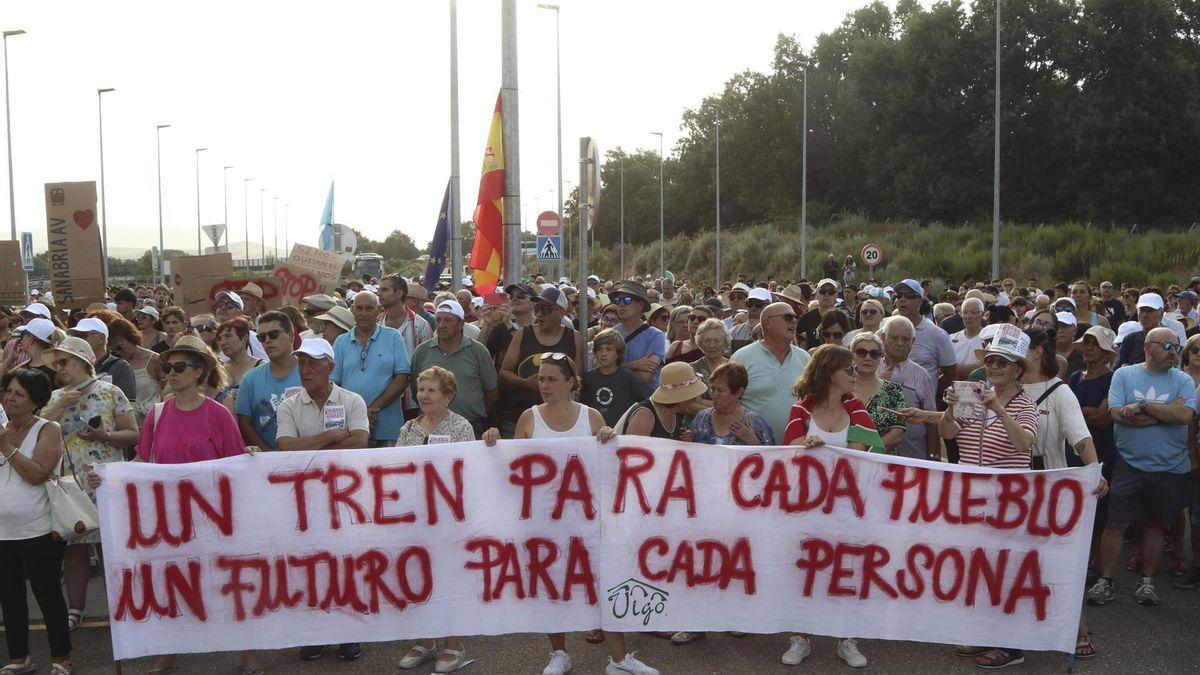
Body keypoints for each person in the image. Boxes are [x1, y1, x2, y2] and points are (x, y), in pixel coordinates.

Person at [90, 335, 262, 675]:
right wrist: (110, 478)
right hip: (169, 519)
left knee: (227, 585)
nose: (171, 372)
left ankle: (248, 652)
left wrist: (250, 459)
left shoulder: (218, 415)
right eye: (168, 367)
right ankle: (170, 651)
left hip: (213, 518)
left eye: (180, 367)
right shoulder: (156, 414)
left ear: (200, 373)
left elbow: (233, 466)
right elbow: (141, 459)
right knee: (172, 586)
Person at [503, 353, 656, 675]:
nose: (544, 385)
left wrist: (609, 439)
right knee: (550, 585)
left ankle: (618, 659)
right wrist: (492, 443)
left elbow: (609, 467)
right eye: (541, 379)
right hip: (543, 519)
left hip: (587, 518)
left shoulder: (592, 417)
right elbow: (514, 471)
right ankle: (558, 653)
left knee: (601, 583)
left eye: (551, 379)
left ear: (571, 383)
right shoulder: (528, 418)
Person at [780, 344, 882, 669]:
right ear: (829, 374)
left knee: (848, 569)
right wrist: (806, 446)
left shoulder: (858, 409)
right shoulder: (801, 409)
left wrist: (822, 451)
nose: (856, 374)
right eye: (849, 369)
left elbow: (858, 453)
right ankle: (801, 637)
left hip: (848, 508)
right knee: (803, 571)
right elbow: (790, 448)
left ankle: (846, 638)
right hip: (805, 507)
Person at [275, 338, 369, 663]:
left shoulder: (352, 400)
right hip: (303, 499)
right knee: (308, 565)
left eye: (313, 363)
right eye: (302, 363)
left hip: (346, 496)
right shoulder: (289, 405)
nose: (306, 370)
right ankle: (315, 632)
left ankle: (348, 631)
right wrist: (330, 437)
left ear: (330, 365)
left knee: (345, 563)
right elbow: (286, 448)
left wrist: (308, 449)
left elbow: (359, 443)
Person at [1088, 327, 1195, 608]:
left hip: (1169, 467)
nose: (1175, 353)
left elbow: (1184, 415)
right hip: (1129, 463)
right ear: (1149, 347)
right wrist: (1164, 412)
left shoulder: (1183, 380)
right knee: (1116, 524)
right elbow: (1116, 415)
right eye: (1169, 347)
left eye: (1177, 348)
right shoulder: (1124, 374)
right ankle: (1106, 580)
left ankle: (1147, 581)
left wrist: (1144, 406)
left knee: (1155, 525)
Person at [40, 337, 138, 631]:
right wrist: (58, 406)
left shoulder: (110, 392)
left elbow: (133, 434)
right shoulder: (54, 396)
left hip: (106, 481)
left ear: (84, 362)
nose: (60, 368)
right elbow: (38, 430)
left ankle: (121, 605)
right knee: (75, 548)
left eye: (65, 361)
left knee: (111, 547)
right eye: (57, 363)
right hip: (71, 486)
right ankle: (75, 609)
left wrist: (104, 436)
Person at [394, 367, 482, 673]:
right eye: (421, 390)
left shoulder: (461, 427)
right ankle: (424, 641)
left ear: (449, 396)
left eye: (432, 390)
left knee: (449, 580)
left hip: (448, 518)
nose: (425, 396)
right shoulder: (408, 429)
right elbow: (395, 469)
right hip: (414, 517)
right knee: (417, 578)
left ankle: (453, 645)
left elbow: (468, 473)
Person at [0, 368, 76, 675]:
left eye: (18, 393)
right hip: (3, 531)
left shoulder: (48, 429)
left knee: (48, 594)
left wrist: (6, 447)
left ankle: (61, 657)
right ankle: (19, 656)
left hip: (39, 527)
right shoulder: (3, 427)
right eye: (7, 391)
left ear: (35, 400)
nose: (9, 398)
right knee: (10, 596)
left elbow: (36, 474)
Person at [331, 292, 412, 446]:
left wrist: (372, 409)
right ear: (352, 310)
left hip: (388, 428)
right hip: (350, 430)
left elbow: (402, 379)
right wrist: (360, 414)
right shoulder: (341, 342)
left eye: (369, 308)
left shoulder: (393, 337)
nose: (363, 313)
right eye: (359, 308)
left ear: (379, 310)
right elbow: (334, 385)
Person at [499, 287, 582, 437]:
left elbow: (578, 379)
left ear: (561, 312)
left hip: (559, 419)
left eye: (545, 309)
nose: (539, 315)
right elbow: (504, 373)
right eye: (536, 309)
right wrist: (525, 383)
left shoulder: (574, 338)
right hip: (519, 415)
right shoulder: (523, 334)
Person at [408, 300, 498, 437]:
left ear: (461, 324)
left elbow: (491, 391)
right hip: (430, 427)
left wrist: (473, 410)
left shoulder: (477, 351)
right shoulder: (422, 351)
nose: (442, 325)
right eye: (438, 320)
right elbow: (416, 390)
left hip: (471, 425)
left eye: (448, 320)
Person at [731, 301, 811, 442]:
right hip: (753, 450)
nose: (794, 321)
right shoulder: (741, 358)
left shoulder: (805, 357)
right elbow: (728, 402)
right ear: (768, 323)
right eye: (787, 317)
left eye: (795, 317)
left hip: (797, 449)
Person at [236, 310, 302, 450]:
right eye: (261, 337)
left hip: (308, 458)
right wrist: (269, 455)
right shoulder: (250, 379)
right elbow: (244, 423)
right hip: (266, 464)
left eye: (273, 334)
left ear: (291, 336)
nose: (267, 340)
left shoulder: (309, 373)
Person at [879, 316, 939, 462]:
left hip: (912, 457)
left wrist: (933, 456)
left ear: (913, 341)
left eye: (905, 339)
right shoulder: (872, 369)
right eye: (894, 338)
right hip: (875, 457)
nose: (900, 343)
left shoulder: (921, 375)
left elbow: (931, 419)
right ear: (883, 337)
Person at [893, 278, 956, 398]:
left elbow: (951, 376)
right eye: (899, 295)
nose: (902, 299)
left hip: (922, 411)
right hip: (888, 409)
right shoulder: (885, 331)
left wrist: (929, 394)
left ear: (920, 301)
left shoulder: (938, 335)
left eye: (909, 295)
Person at [688, 362, 773, 446]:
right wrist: (688, 441)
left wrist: (753, 441)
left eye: (720, 391)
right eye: (712, 389)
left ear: (738, 392)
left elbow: (771, 456)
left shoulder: (754, 423)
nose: (714, 395)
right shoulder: (702, 418)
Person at [849, 332, 906, 452]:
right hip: (843, 461)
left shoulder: (893, 391)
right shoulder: (840, 389)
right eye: (861, 352)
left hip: (881, 461)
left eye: (874, 354)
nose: (867, 358)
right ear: (852, 354)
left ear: (881, 358)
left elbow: (896, 434)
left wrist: (869, 453)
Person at [582, 329, 651, 427]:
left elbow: (648, 401)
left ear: (618, 353)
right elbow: (584, 408)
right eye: (599, 349)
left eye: (608, 349)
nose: (603, 353)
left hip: (620, 432)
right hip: (595, 432)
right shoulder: (588, 378)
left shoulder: (629, 378)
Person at [622, 361, 707, 440]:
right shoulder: (644, 415)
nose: (694, 401)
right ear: (680, 397)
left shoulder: (676, 413)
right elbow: (632, 452)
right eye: (692, 397)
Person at [105, 317, 163, 427]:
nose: (118, 352)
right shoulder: (116, 364)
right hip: (124, 424)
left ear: (131, 338)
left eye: (120, 347)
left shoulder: (154, 359)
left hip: (151, 422)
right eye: (114, 350)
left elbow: (167, 390)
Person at [68, 317, 135, 403]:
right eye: (75, 336)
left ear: (100, 338)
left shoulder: (121, 367)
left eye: (82, 336)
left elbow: (127, 405)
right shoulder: (70, 366)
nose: (77, 340)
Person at [214, 317, 262, 414]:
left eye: (228, 336)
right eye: (220, 338)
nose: (223, 342)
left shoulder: (261, 367)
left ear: (244, 339)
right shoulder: (219, 370)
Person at [689, 318, 731, 402]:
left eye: (717, 341)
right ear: (700, 343)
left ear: (725, 343)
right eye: (707, 341)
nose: (712, 345)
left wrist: (701, 402)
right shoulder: (690, 369)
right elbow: (690, 405)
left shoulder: (734, 368)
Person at [949, 298, 985, 378]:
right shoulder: (951, 338)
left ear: (982, 314)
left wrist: (952, 368)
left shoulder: (989, 339)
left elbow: (983, 369)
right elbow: (941, 366)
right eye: (964, 312)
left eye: (973, 312)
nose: (968, 316)